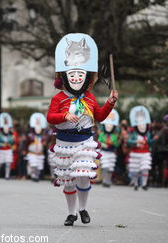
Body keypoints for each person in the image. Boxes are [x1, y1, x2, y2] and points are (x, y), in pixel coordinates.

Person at [47, 33, 118, 226]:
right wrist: (64, 116)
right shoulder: (58, 98)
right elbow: (50, 118)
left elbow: (100, 117)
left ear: (86, 77)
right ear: (65, 76)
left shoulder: (90, 97)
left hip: (84, 142)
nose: (76, 78)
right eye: (72, 74)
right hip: (64, 143)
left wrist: (110, 103)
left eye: (80, 74)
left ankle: (83, 208)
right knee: (68, 180)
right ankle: (71, 213)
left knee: (83, 175)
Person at [127, 106, 153, 191]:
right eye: (140, 124)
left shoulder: (148, 133)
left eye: (143, 124)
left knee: (145, 168)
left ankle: (144, 184)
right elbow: (129, 141)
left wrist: (153, 140)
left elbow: (150, 141)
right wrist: (136, 142)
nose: (142, 126)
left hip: (145, 152)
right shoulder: (133, 133)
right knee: (135, 170)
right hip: (135, 153)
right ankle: (135, 183)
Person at [98, 109, 120, 187]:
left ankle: (108, 181)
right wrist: (103, 144)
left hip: (111, 152)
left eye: (110, 125)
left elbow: (117, 144)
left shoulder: (114, 135)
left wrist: (114, 143)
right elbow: (99, 142)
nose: (109, 126)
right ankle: (104, 181)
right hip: (104, 152)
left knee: (110, 167)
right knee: (105, 166)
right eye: (107, 124)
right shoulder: (102, 134)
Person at [26, 113, 47, 182]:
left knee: (39, 167)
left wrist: (44, 143)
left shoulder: (43, 136)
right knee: (33, 165)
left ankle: (37, 176)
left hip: (40, 153)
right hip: (32, 153)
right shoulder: (30, 135)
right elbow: (26, 143)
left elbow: (45, 143)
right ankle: (33, 175)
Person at [0, 112, 15, 179]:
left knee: (8, 163)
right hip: (1, 150)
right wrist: (2, 144)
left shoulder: (10, 135)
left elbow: (12, 143)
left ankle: (7, 175)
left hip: (8, 150)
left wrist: (12, 140)